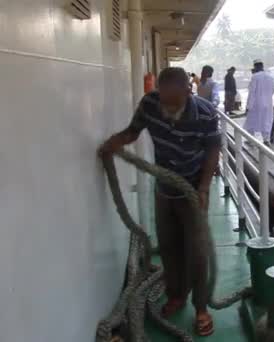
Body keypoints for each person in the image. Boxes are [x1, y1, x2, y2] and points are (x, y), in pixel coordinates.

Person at [98, 67, 219, 336]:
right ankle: (176, 294)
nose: (167, 108)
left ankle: (201, 307)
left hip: (193, 189)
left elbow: (213, 149)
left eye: (173, 103)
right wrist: (111, 144)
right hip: (164, 188)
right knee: (169, 246)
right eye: (164, 101)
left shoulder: (205, 113)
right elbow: (132, 132)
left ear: (188, 92)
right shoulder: (150, 104)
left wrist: (204, 188)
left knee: (198, 251)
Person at [244, 60, 274, 145]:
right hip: (268, 104)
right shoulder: (270, 77)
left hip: (256, 104)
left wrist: (248, 106)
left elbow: (252, 92)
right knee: (266, 121)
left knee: (251, 122)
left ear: (256, 67)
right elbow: (272, 90)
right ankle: (266, 140)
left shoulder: (255, 77)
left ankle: (251, 139)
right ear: (262, 66)